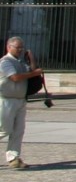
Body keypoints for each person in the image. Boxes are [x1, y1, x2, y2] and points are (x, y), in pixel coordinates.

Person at [0, 36, 44, 168]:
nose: (20, 50)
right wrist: (34, 73)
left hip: (20, 99)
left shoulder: (21, 62)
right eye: (17, 47)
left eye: (21, 48)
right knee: (4, 130)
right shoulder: (5, 62)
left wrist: (31, 59)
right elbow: (14, 77)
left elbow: (32, 72)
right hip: (6, 99)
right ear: (9, 47)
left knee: (18, 130)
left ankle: (14, 157)